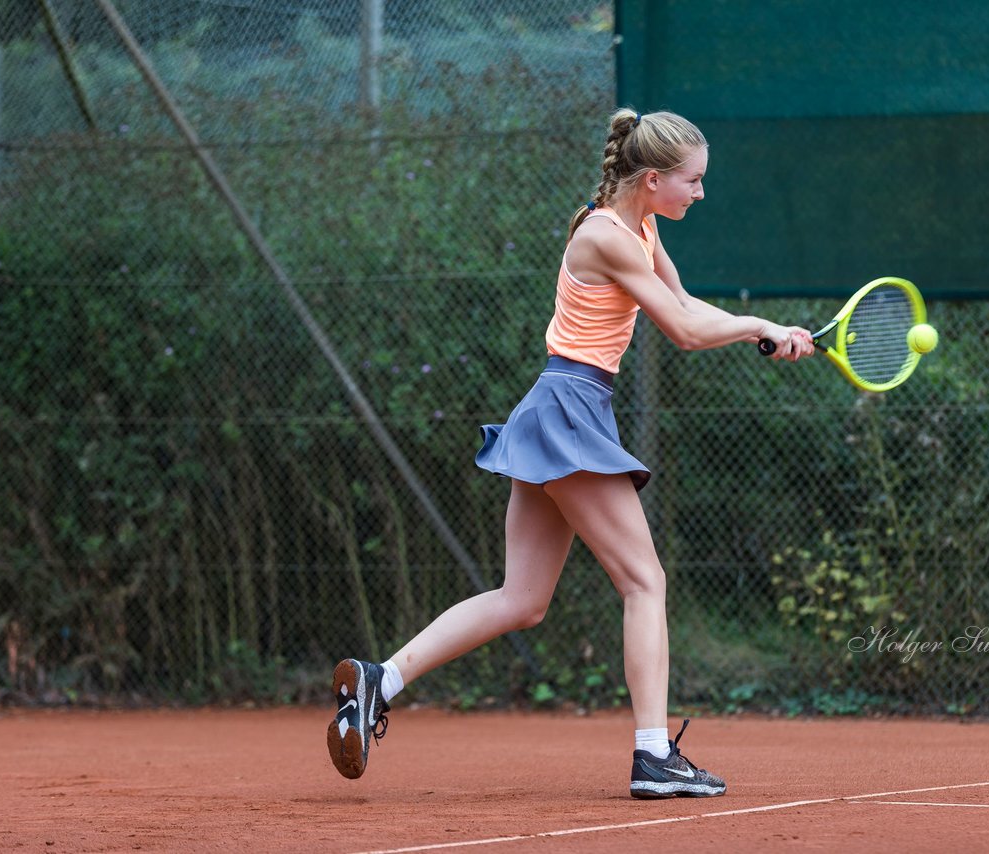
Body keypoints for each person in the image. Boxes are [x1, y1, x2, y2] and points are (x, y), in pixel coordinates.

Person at [328, 108, 815, 798]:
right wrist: (757, 325)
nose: (700, 194)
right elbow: (679, 329)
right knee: (644, 582)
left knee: (522, 599)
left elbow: (685, 302)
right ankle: (654, 755)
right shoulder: (607, 234)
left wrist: (764, 328)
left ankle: (383, 679)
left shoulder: (639, 226)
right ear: (652, 179)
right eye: (693, 181)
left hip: (558, 408)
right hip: (567, 410)